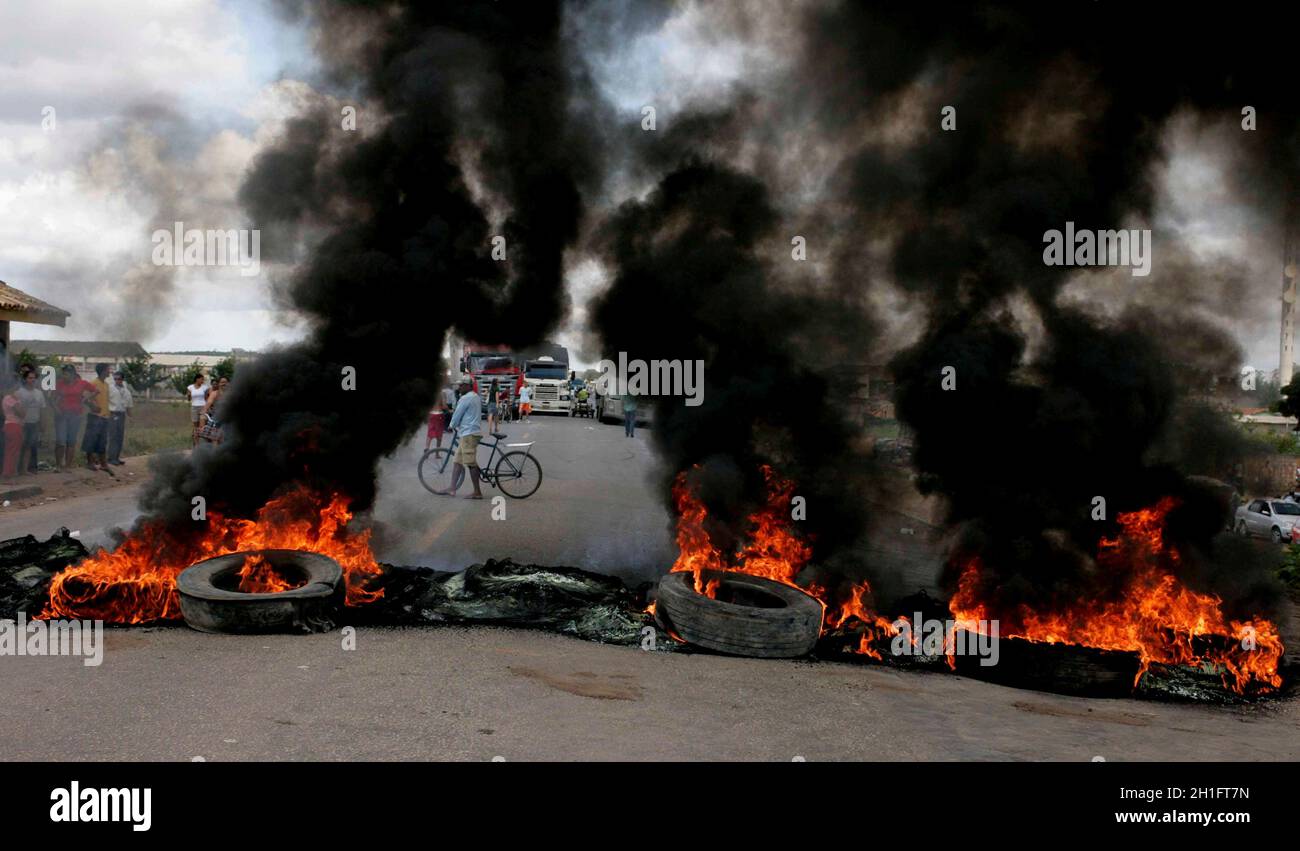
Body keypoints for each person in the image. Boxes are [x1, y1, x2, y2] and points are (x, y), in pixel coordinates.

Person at [434, 377, 483, 499]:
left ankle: (477, 492)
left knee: (470, 463)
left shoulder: (466, 398)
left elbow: (457, 415)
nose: (459, 387)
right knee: (457, 461)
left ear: (467, 386)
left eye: (461, 385)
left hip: (469, 434)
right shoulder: (475, 396)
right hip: (469, 432)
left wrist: (451, 426)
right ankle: (452, 488)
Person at [53, 365, 94, 471]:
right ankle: (58, 465)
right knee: (61, 441)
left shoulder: (81, 383)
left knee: (71, 441)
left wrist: (85, 399)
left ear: (72, 374)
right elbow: (52, 398)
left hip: (75, 415)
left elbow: (95, 390)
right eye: (63, 373)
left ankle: (67, 466)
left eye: (66, 374)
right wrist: (56, 408)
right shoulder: (59, 384)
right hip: (62, 415)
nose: (64, 376)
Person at [81, 363, 111, 471]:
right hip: (95, 416)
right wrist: (93, 406)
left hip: (104, 416)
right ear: (103, 371)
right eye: (108, 369)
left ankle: (103, 464)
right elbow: (84, 399)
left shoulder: (106, 385)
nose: (110, 371)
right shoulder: (93, 383)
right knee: (91, 440)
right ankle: (90, 463)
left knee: (102, 441)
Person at [16, 369, 45, 474]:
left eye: (34, 378)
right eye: (30, 378)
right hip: (22, 423)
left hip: (34, 423)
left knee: (29, 446)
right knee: (20, 446)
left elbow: (41, 409)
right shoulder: (19, 393)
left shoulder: (39, 394)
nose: (32, 380)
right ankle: (16, 469)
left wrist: (42, 423)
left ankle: (25, 469)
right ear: (25, 379)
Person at [107, 370, 133, 465]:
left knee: (119, 437)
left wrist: (130, 417)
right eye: (115, 378)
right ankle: (111, 458)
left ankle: (117, 457)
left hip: (121, 415)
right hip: (112, 413)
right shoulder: (110, 389)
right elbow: (105, 401)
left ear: (122, 379)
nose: (117, 380)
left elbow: (129, 406)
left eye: (119, 378)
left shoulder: (127, 392)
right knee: (113, 436)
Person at [1, 378, 23, 478]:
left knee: (10, 450)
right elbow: (21, 413)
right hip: (13, 425)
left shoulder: (6, 398)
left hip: (9, 425)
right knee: (13, 450)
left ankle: (10, 471)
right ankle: (8, 473)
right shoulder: (10, 399)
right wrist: (18, 401)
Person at [199, 376, 229, 445]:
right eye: (222, 382)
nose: (224, 384)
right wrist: (204, 411)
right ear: (218, 384)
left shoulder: (231, 393)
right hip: (216, 417)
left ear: (228, 383)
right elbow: (208, 403)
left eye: (225, 382)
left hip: (228, 418)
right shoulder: (214, 393)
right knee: (213, 435)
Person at [187, 373, 209, 446]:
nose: (202, 381)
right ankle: (196, 444)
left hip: (203, 407)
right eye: (201, 379)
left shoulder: (205, 387)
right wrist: (189, 396)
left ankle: (206, 442)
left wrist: (207, 407)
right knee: (195, 427)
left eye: (203, 379)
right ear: (197, 379)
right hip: (194, 407)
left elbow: (206, 398)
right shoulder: (190, 387)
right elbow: (189, 399)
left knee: (202, 426)